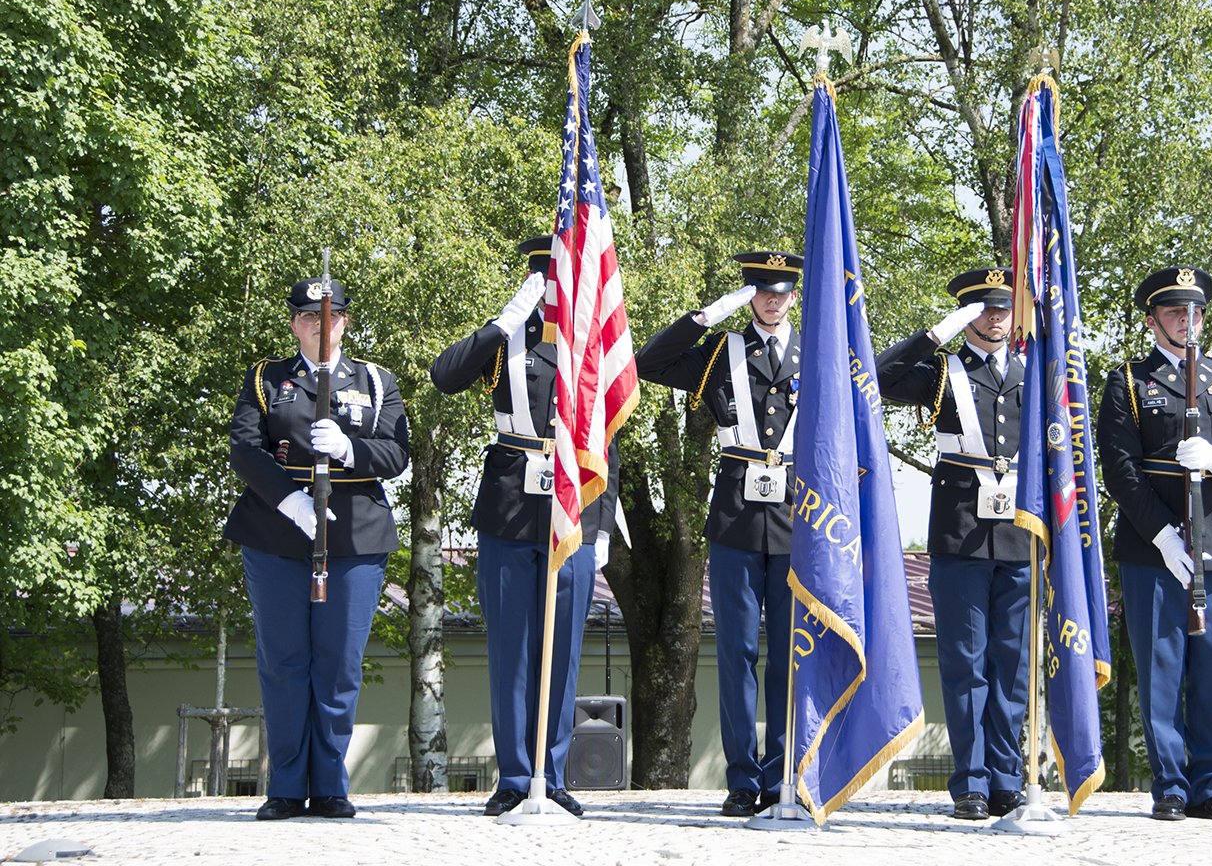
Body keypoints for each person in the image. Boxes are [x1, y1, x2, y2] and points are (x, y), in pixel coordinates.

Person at [429, 236, 617, 818]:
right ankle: (514, 775)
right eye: (547, 279)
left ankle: (552, 772)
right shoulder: (508, 338)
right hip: (511, 503)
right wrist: (504, 318)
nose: (557, 290)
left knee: (561, 651)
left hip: (574, 508)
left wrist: (604, 524)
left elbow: (607, 440)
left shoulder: (591, 344)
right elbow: (445, 374)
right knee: (513, 648)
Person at [225, 275, 410, 821]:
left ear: (345, 322)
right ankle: (285, 786)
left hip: (354, 535)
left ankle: (329, 784)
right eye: (307, 317)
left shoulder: (375, 382)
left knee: (337, 664)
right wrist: (291, 502)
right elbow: (245, 448)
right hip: (278, 533)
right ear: (293, 323)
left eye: (329, 317)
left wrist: (351, 449)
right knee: (284, 662)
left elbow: (397, 453)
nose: (318, 326)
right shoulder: (267, 377)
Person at [1096, 265, 1212, 822]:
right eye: (1173, 311)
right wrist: (1162, 534)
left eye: (1193, 310)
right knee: (1161, 668)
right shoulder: (1128, 380)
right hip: (1154, 547)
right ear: (1153, 320)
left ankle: (1208, 786)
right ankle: (1170, 786)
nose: (1185, 319)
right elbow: (1119, 469)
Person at [635, 251, 802, 817]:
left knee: (787, 655)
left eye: (781, 291)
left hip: (796, 516)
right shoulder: (719, 350)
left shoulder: (817, 351)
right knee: (736, 650)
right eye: (761, 290)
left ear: (795, 296)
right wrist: (706, 316)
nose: (772, 300)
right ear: (749, 294)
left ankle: (785, 773)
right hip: (735, 513)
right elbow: (648, 362)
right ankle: (743, 778)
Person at [875, 267, 1031, 821]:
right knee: (966, 663)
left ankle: (1007, 777)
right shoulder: (942, 371)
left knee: (1011, 664)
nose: (994, 317)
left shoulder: (1033, 373)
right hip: (960, 532)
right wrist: (939, 333)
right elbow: (876, 377)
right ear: (967, 314)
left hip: (1019, 535)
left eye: (1002, 307)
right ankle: (970, 780)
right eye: (983, 308)